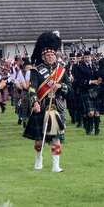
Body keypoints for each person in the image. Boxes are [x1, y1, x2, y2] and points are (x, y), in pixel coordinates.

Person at [23, 31, 72, 172]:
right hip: (41, 106)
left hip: (56, 107)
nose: (50, 57)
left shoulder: (61, 70)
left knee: (56, 138)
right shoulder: (36, 71)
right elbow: (32, 89)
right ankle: (39, 159)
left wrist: (60, 86)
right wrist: (35, 102)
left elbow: (70, 88)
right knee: (39, 140)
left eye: (52, 55)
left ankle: (56, 165)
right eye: (47, 55)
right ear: (43, 56)